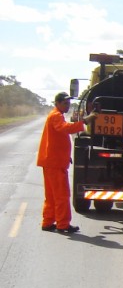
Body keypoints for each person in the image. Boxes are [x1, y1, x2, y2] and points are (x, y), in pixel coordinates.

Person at [37, 92, 87, 234]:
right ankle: (63, 224)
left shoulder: (55, 115)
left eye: (68, 103)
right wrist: (84, 122)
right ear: (57, 103)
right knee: (61, 195)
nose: (67, 105)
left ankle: (48, 222)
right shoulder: (56, 116)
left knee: (52, 195)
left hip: (53, 161)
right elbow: (65, 128)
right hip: (55, 163)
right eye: (65, 103)